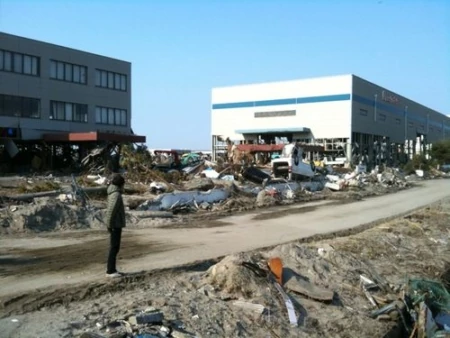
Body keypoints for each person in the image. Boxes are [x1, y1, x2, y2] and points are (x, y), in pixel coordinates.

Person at [105, 173, 126, 278]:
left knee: (114, 247)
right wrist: (109, 225)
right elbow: (111, 210)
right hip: (115, 224)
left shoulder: (113, 193)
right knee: (114, 247)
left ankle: (112, 269)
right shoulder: (116, 194)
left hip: (115, 224)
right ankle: (110, 271)